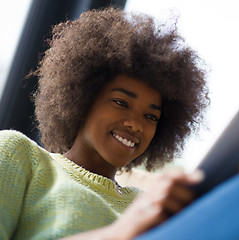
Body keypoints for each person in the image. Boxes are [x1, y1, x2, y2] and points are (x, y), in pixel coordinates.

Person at [0, 7, 209, 240]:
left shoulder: (149, 203)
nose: (136, 124)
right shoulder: (18, 154)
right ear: (82, 101)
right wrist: (122, 230)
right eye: (121, 102)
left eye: (151, 117)